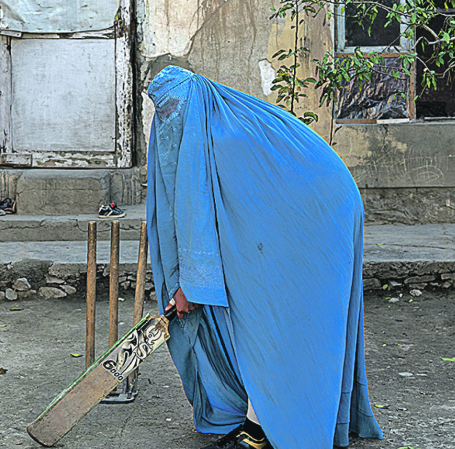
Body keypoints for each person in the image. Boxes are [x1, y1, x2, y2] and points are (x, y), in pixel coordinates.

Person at [145, 66, 383, 449]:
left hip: (319, 210)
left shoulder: (228, 135)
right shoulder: (212, 121)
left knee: (283, 317)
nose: (170, 118)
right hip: (300, 204)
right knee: (264, 311)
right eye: (162, 112)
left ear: (194, 101)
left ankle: (264, 428)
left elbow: (200, 221)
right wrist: (194, 283)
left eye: (175, 108)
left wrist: (192, 285)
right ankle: (263, 414)